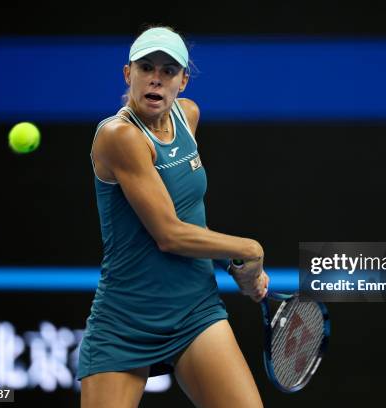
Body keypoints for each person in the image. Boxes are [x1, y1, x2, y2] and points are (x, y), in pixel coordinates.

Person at [76, 25, 269, 407]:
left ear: (183, 80)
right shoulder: (119, 137)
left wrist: (236, 264)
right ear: (128, 74)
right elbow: (170, 234)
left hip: (195, 310)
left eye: (168, 71)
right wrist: (248, 248)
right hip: (126, 319)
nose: (156, 79)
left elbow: (190, 219)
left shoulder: (189, 117)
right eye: (146, 67)